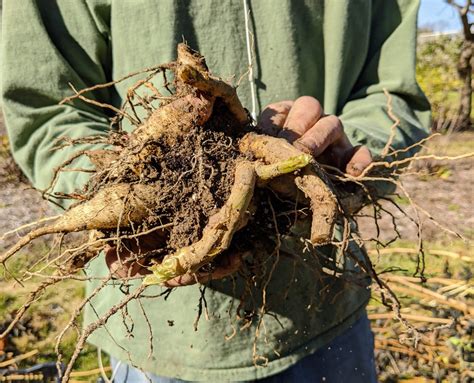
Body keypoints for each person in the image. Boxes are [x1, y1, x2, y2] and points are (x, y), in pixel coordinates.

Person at [1, 1, 430, 382]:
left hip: (324, 307)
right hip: (156, 335)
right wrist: (118, 189)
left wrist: (339, 155)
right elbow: (45, 106)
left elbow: (392, 96)